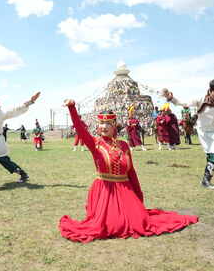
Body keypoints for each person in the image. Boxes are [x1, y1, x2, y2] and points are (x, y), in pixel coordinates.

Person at [59, 100, 198, 243]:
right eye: (101, 124)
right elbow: (80, 130)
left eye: (108, 124)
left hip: (126, 191)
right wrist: (72, 108)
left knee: (140, 223)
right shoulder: (95, 144)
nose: (104, 127)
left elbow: (131, 172)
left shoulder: (124, 145)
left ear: (114, 126)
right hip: (105, 193)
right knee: (113, 226)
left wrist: (138, 197)